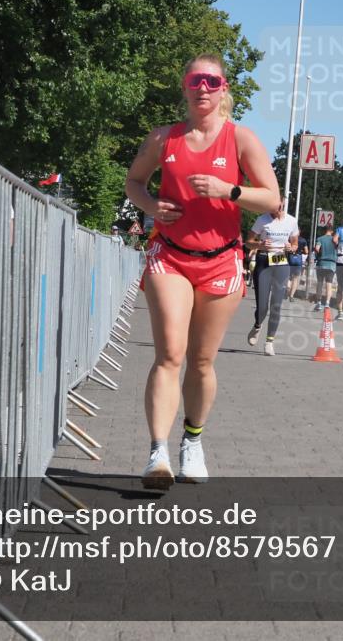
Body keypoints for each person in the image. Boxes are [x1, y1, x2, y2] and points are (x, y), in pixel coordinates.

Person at [125, 54, 279, 490]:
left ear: (223, 87)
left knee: (203, 360)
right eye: (196, 81)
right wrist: (152, 206)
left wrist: (228, 190)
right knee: (170, 353)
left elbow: (271, 198)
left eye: (212, 81)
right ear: (185, 86)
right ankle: (157, 454)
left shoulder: (240, 139)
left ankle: (192, 441)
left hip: (221, 260)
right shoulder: (163, 138)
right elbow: (133, 182)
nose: (204, 89)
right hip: (169, 256)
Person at [246, 201, 299, 356]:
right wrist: (260, 245)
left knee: (276, 304)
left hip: (281, 262)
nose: (273, 208)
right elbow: (248, 242)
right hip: (264, 261)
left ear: (282, 204)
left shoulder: (291, 221)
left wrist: (292, 247)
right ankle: (257, 325)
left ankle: (269, 341)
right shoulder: (262, 220)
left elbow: (295, 243)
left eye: (277, 205)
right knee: (262, 306)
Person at [312, 224, 337, 311]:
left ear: (324, 230)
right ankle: (327, 303)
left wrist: (318, 254)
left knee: (320, 283)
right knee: (329, 284)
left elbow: (317, 248)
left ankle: (318, 303)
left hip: (321, 263)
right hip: (331, 265)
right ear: (332, 231)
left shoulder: (320, 239)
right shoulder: (335, 240)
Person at [287, 231, 309, 302]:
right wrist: (301, 251)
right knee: (296, 279)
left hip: (290, 258)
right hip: (298, 259)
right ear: (299, 232)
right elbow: (306, 252)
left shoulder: (290, 239)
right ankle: (291, 296)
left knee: (289, 277)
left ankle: (287, 289)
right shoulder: (303, 240)